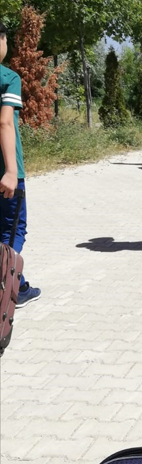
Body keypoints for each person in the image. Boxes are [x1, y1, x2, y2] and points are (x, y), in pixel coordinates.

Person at [0, 21, 40, 307]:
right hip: (6, 172)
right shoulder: (8, 78)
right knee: (13, 230)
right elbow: (5, 123)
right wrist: (11, 170)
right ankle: (8, 291)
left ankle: (19, 284)